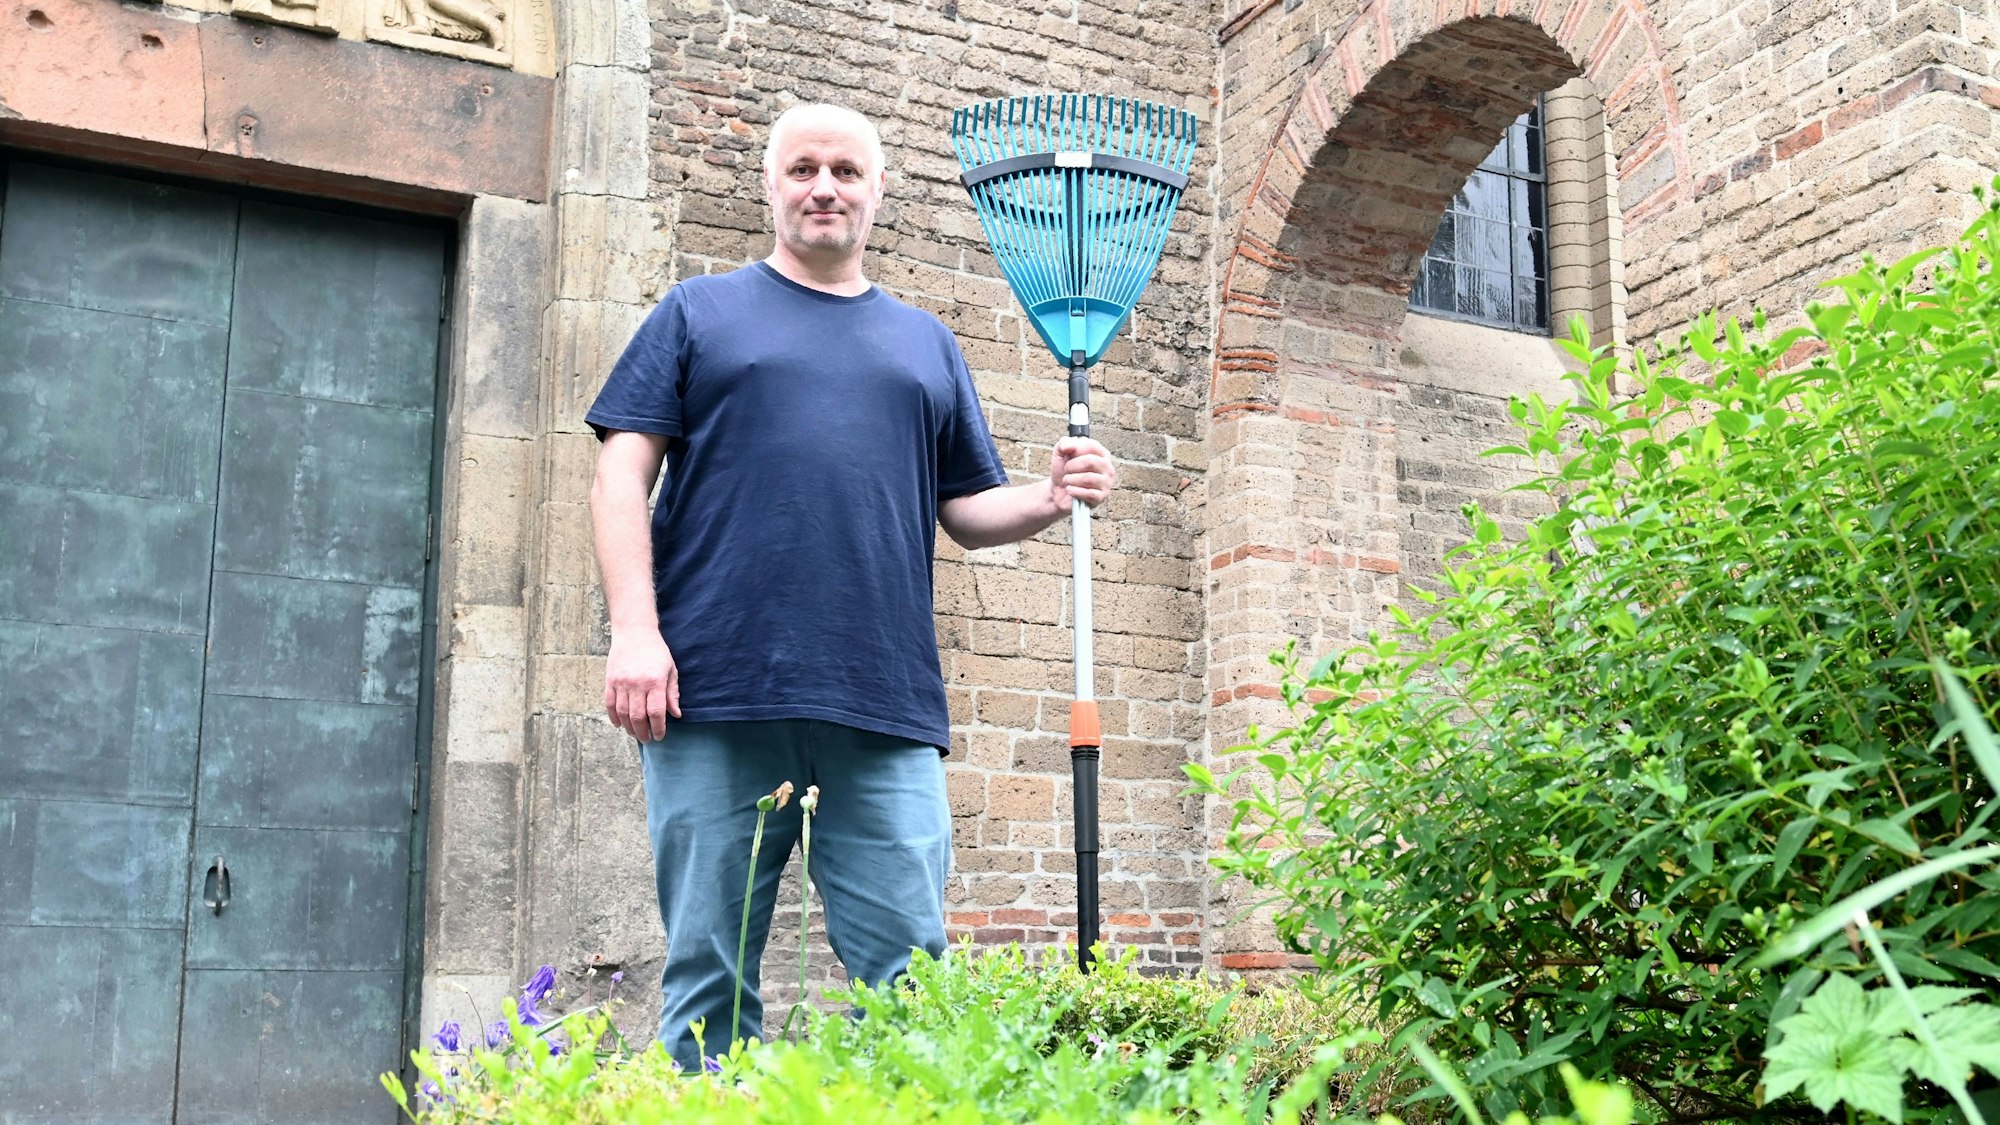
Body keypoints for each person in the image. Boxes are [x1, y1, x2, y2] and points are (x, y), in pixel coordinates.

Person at [584, 102, 1119, 1070]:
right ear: (769, 187)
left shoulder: (925, 345)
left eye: (843, 171)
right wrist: (633, 631)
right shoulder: (696, 315)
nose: (822, 187)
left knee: (912, 981)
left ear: (877, 192)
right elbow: (621, 474)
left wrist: (1045, 497)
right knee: (708, 982)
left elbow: (965, 510)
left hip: (881, 706)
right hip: (712, 694)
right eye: (801, 170)